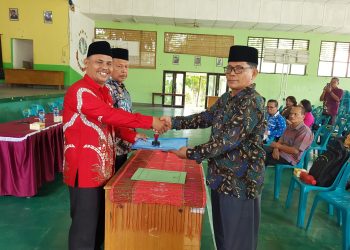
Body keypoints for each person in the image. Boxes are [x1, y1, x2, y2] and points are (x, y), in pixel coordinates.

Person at [63, 41, 166, 250]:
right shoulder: (81, 91)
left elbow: (116, 125)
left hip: (103, 170)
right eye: (99, 62)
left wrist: (136, 138)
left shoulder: (105, 93)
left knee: (99, 222)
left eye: (109, 63)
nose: (105, 67)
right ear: (86, 63)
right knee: (84, 228)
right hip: (84, 173)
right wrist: (149, 121)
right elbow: (111, 114)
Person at [161, 45, 266, 250]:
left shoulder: (252, 102)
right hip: (220, 178)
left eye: (239, 69)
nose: (232, 74)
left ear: (253, 73)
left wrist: (190, 153)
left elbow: (228, 141)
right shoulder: (228, 98)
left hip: (240, 183)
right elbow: (205, 117)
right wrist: (173, 122)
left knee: (238, 241)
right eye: (229, 69)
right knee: (223, 237)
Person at [105, 48, 146, 172]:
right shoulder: (107, 88)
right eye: (119, 66)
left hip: (124, 145)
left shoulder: (122, 88)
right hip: (113, 148)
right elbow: (110, 119)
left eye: (126, 67)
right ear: (110, 66)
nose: (124, 70)